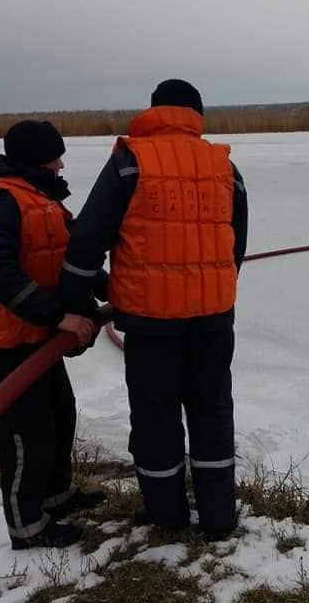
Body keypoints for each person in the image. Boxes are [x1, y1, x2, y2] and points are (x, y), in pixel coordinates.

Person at [58, 80, 248, 541]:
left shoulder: (131, 160)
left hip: (150, 321)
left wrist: (74, 302)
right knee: (212, 411)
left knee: (156, 416)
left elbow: (88, 237)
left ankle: (167, 515)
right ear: (197, 114)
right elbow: (235, 240)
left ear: (155, 110)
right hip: (213, 319)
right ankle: (219, 517)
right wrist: (213, 286)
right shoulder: (223, 164)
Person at [0, 119, 105, 550]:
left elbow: (69, 254)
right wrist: (57, 316)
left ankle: (56, 496)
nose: (61, 165)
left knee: (60, 415)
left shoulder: (41, 199)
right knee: (26, 436)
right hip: (5, 344)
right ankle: (27, 524)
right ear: (34, 160)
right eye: (54, 157)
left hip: (37, 337)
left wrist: (112, 289)